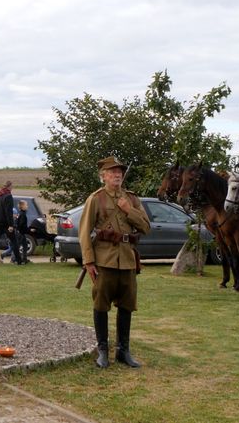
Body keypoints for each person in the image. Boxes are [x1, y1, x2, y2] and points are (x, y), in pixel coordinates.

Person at [79, 156, 151, 369]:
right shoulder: (96, 199)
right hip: (104, 261)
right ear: (103, 176)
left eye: (119, 171)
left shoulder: (132, 199)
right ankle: (102, 351)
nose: (117, 174)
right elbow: (84, 232)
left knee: (127, 305)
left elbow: (146, 228)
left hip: (128, 260)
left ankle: (123, 351)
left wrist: (128, 210)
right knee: (101, 305)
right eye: (112, 172)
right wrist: (89, 261)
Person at [14, 199, 32, 264]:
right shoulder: (23, 215)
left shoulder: (20, 213)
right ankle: (15, 259)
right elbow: (22, 225)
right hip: (20, 233)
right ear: (23, 206)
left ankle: (24, 259)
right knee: (18, 246)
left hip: (21, 232)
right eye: (26, 205)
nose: (27, 206)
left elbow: (17, 223)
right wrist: (29, 230)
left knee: (25, 245)